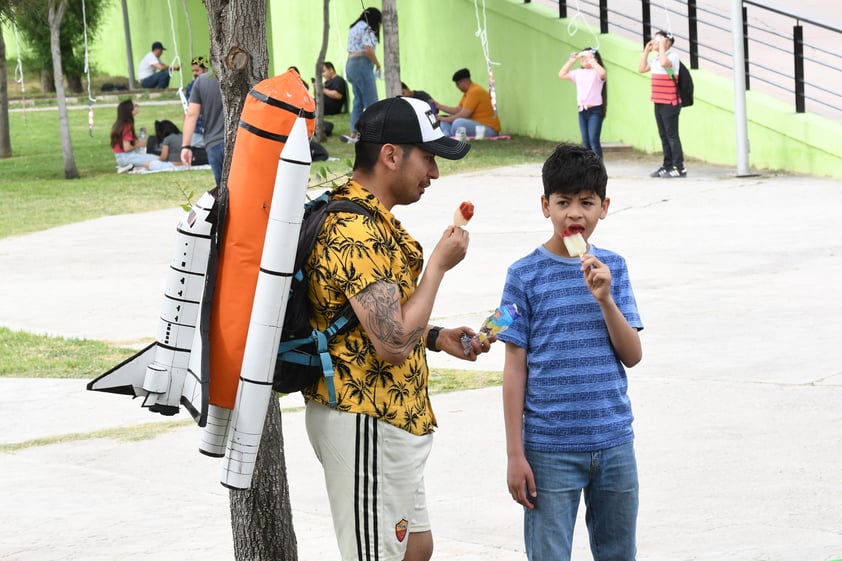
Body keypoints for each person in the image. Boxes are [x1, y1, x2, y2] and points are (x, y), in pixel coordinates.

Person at [302, 96, 493, 561]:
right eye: (428, 158)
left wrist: (433, 336)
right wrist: (437, 269)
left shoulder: (373, 221)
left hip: (391, 422)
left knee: (416, 549)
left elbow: (372, 320)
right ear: (391, 155)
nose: (435, 173)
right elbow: (388, 342)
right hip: (366, 421)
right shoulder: (353, 231)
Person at [499, 143, 644, 561]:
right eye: (563, 202)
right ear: (545, 206)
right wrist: (515, 453)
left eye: (586, 203)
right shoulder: (523, 275)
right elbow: (514, 368)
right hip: (549, 449)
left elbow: (632, 354)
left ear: (604, 206)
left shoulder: (612, 267)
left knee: (619, 553)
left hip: (614, 440)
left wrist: (605, 299)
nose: (574, 214)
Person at [638, 30, 686, 178]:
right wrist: (647, 50)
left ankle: (679, 167)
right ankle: (667, 165)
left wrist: (662, 47)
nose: (654, 42)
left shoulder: (672, 56)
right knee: (663, 135)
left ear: (667, 43)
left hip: (670, 102)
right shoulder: (655, 59)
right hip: (658, 102)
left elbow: (665, 64)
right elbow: (641, 68)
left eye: (658, 40)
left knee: (672, 135)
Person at [342, 7, 382, 143]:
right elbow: (368, 49)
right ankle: (373, 132)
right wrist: (378, 64)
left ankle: (354, 133)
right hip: (361, 64)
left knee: (358, 101)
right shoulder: (368, 29)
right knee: (371, 101)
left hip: (350, 64)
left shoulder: (354, 27)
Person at [558, 48, 607, 158]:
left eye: (588, 57)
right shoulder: (578, 73)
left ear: (596, 59)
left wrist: (592, 60)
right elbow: (561, 74)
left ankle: (599, 167)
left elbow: (603, 73)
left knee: (593, 140)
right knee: (585, 142)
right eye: (583, 58)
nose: (585, 60)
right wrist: (571, 60)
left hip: (595, 111)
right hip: (582, 110)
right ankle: (587, 167)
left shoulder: (597, 72)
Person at [181, 69, 224, 186]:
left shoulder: (202, 81)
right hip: (240, 143)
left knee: (223, 191)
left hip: (214, 143)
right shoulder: (246, 76)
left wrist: (186, 146)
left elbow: (191, 115)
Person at [435, 68, 501, 138]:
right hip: (476, 125)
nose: (457, 87)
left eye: (458, 84)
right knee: (445, 122)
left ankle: (449, 136)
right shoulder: (468, 93)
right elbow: (458, 110)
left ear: (465, 81)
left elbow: (464, 115)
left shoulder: (475, 91)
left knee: (458, 122)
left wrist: (445, 118)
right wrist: (439, 106)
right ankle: (448, 136)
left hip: (489, 129)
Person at [110, 99, 159, 173]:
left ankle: (130, 167)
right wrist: (140, 144)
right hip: (127, 157)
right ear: (130, 110)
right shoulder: (127, 126)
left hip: (120, 157)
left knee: (151, 158)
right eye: (135, 106)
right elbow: (127, 148)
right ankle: (129, 166)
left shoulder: (119, 124)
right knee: (158, 159)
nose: (137, 107)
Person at [184, 55, 209, 147]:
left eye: (197, 70)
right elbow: (186, 109)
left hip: (211, 131)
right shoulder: (191, 86)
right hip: (196, 130)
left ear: (205, 70)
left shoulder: (213, 85)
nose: (194, 73)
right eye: (193, 71)